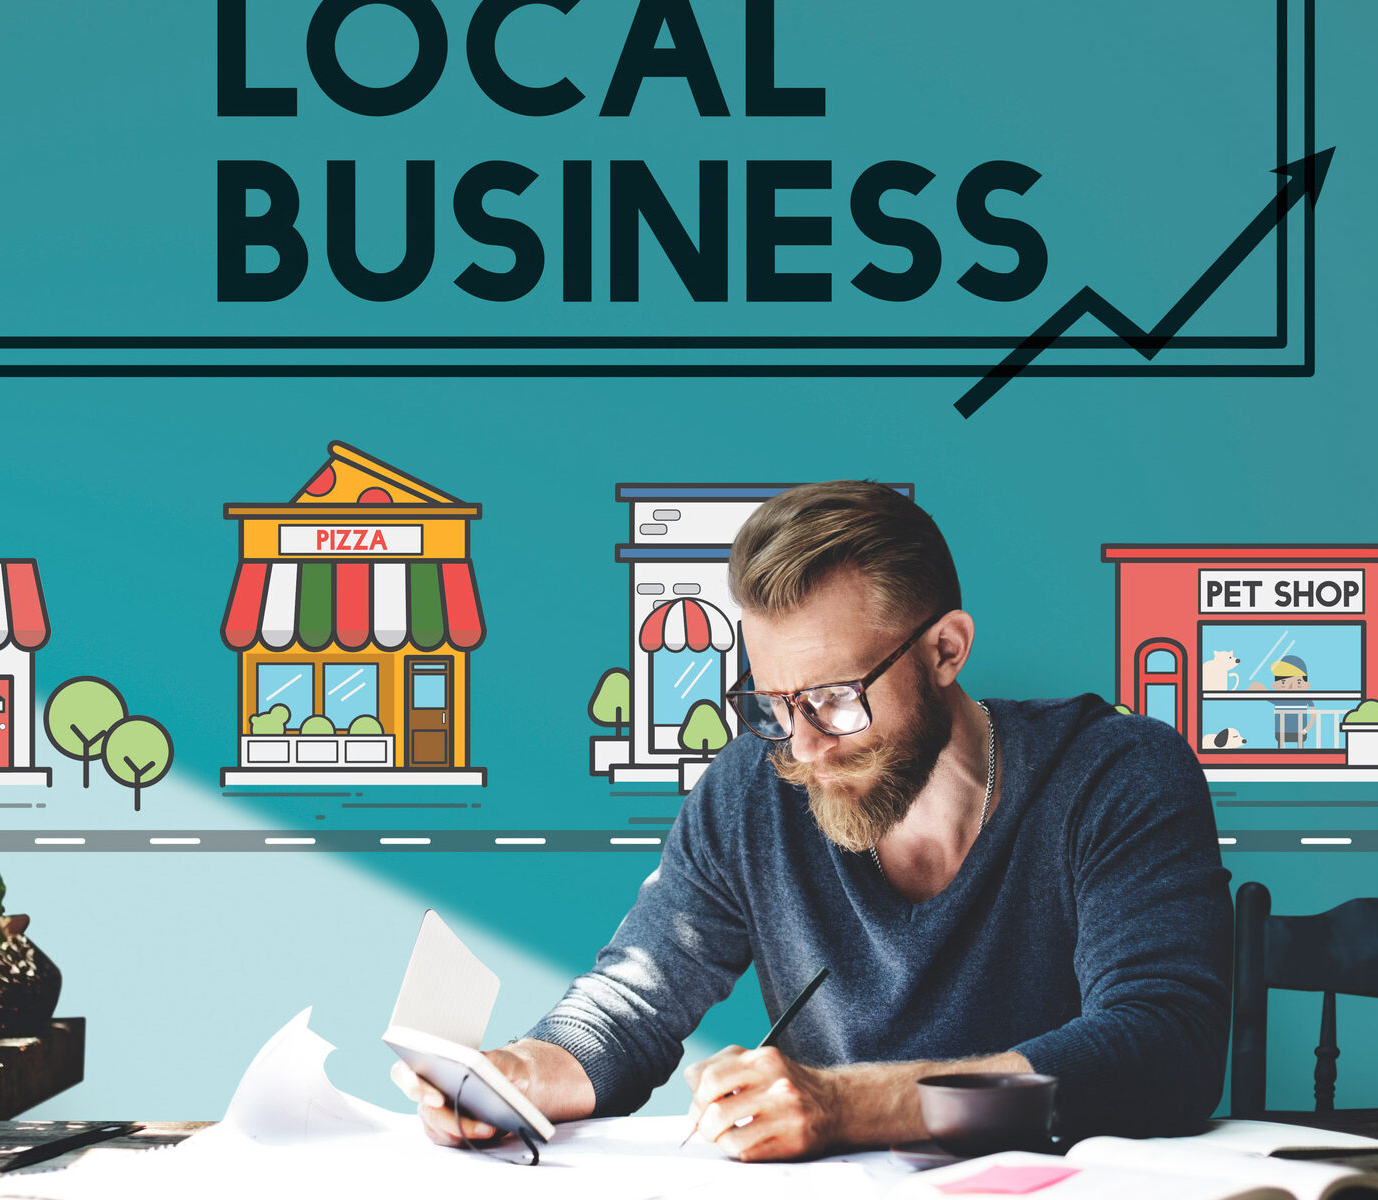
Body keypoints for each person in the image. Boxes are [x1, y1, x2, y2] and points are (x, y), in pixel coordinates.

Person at [392, 481, 1232, 1161]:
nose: (805, 747)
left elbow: (1164, 1049)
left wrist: (851, 1104)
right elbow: (635, 1002)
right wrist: (521, 1074)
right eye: (774, 702)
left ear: (946, 649)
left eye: (835, 697)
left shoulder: (1116, 774)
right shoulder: (754, 785)